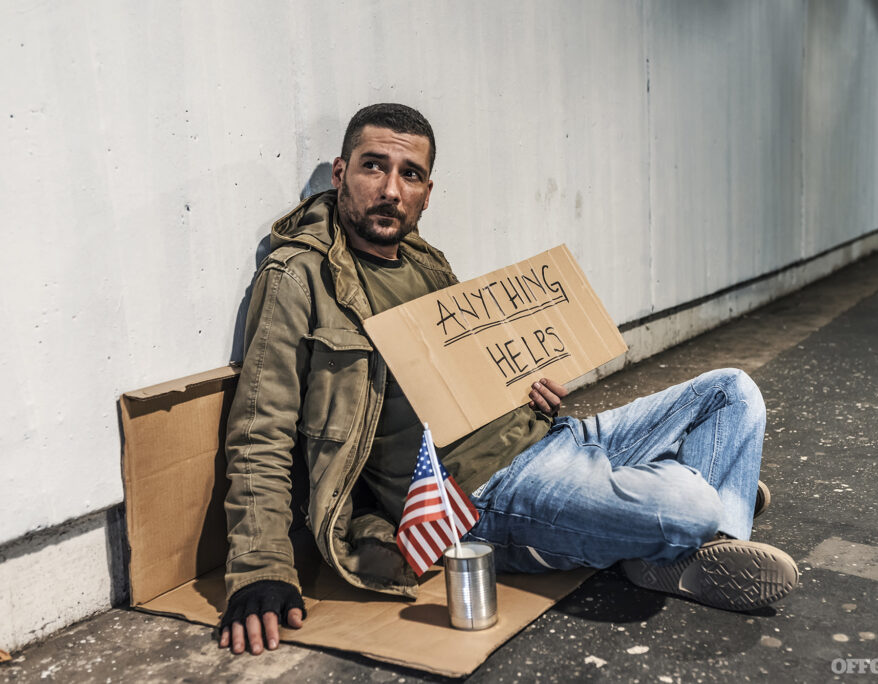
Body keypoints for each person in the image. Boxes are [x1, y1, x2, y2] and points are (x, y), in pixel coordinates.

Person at [218, 103, 799, 656]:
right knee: (690, 502)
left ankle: (663, 545)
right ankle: (701, 514)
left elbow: (469, 373)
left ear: (427, 192)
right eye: (374, 166)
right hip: (484, 493)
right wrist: (260, 567)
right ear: (342, 172)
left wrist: (524, 386)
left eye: (411, 174)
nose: (391, 190)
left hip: (557, 435)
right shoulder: (298, 278)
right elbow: (259, 430)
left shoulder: (427, 263)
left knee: (732, 390)